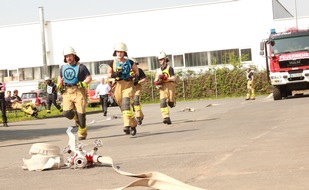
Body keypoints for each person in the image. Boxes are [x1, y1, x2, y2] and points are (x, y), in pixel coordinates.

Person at [57, 46, 92, 140]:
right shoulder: (63, 67)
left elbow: (89, 78)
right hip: (67, 91)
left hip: (79, 91)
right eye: (66, 56)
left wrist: (84, 83)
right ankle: (76, 118)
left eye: (70, 56)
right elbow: (60, 77)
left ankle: (82, 132)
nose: (68, 58)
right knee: (66, 112)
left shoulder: (81, 67)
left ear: (74, 56)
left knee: (81, 113)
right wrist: (59, 83)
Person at [107, 42, 140, 136]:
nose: (119, 54)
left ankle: (127, 126)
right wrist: (114, 74)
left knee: (126, 104)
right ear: (115, 52)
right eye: (117, 52)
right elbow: (108, 74)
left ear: (124, 52)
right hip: (117, 85)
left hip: (128, 85)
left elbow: (136, 70)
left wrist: (136, 76)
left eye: (121, 52)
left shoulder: (130, 62)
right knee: (124, 108)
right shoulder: (112, 63)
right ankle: (133, 124)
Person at [154, 51, 176, 125]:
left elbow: (173, 78)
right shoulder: (158, 70)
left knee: (171, 103)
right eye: (159, 60)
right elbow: (155, 80)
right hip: (162, 87)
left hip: (170, 86)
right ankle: (166, 118)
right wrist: (157, 83)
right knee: (162, 102)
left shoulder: (170, 68)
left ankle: (172, 102)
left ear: (165, 59)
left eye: (162, 59)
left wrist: (166, 78)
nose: (161, 61)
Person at [130, 58, 147, 125]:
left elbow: (144, 79)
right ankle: (141, 115)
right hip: (130, 89)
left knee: (136, 100)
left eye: (135, 65)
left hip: (137, 88)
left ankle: (138, 117)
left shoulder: (139, 71)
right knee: (133, 104)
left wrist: (138, 82)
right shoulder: (127, 71)